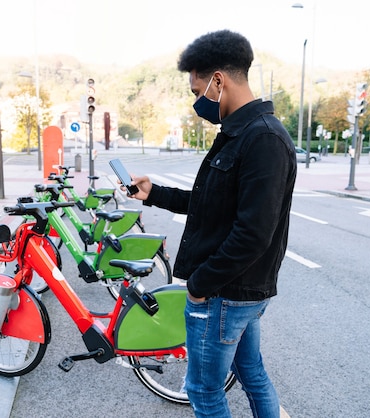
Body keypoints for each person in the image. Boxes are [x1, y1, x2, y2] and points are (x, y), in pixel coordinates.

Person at [125, 30, 296, 417]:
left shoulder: (262, 139)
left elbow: (253, 233)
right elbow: (210, 203)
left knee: (203, 391)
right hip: (236, 293)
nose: (196, 101)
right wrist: (154, 193)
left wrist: (200, 286)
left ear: (218, 80)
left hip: (225, 293)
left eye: (196, 90)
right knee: (251, 372)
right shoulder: (240, 133)